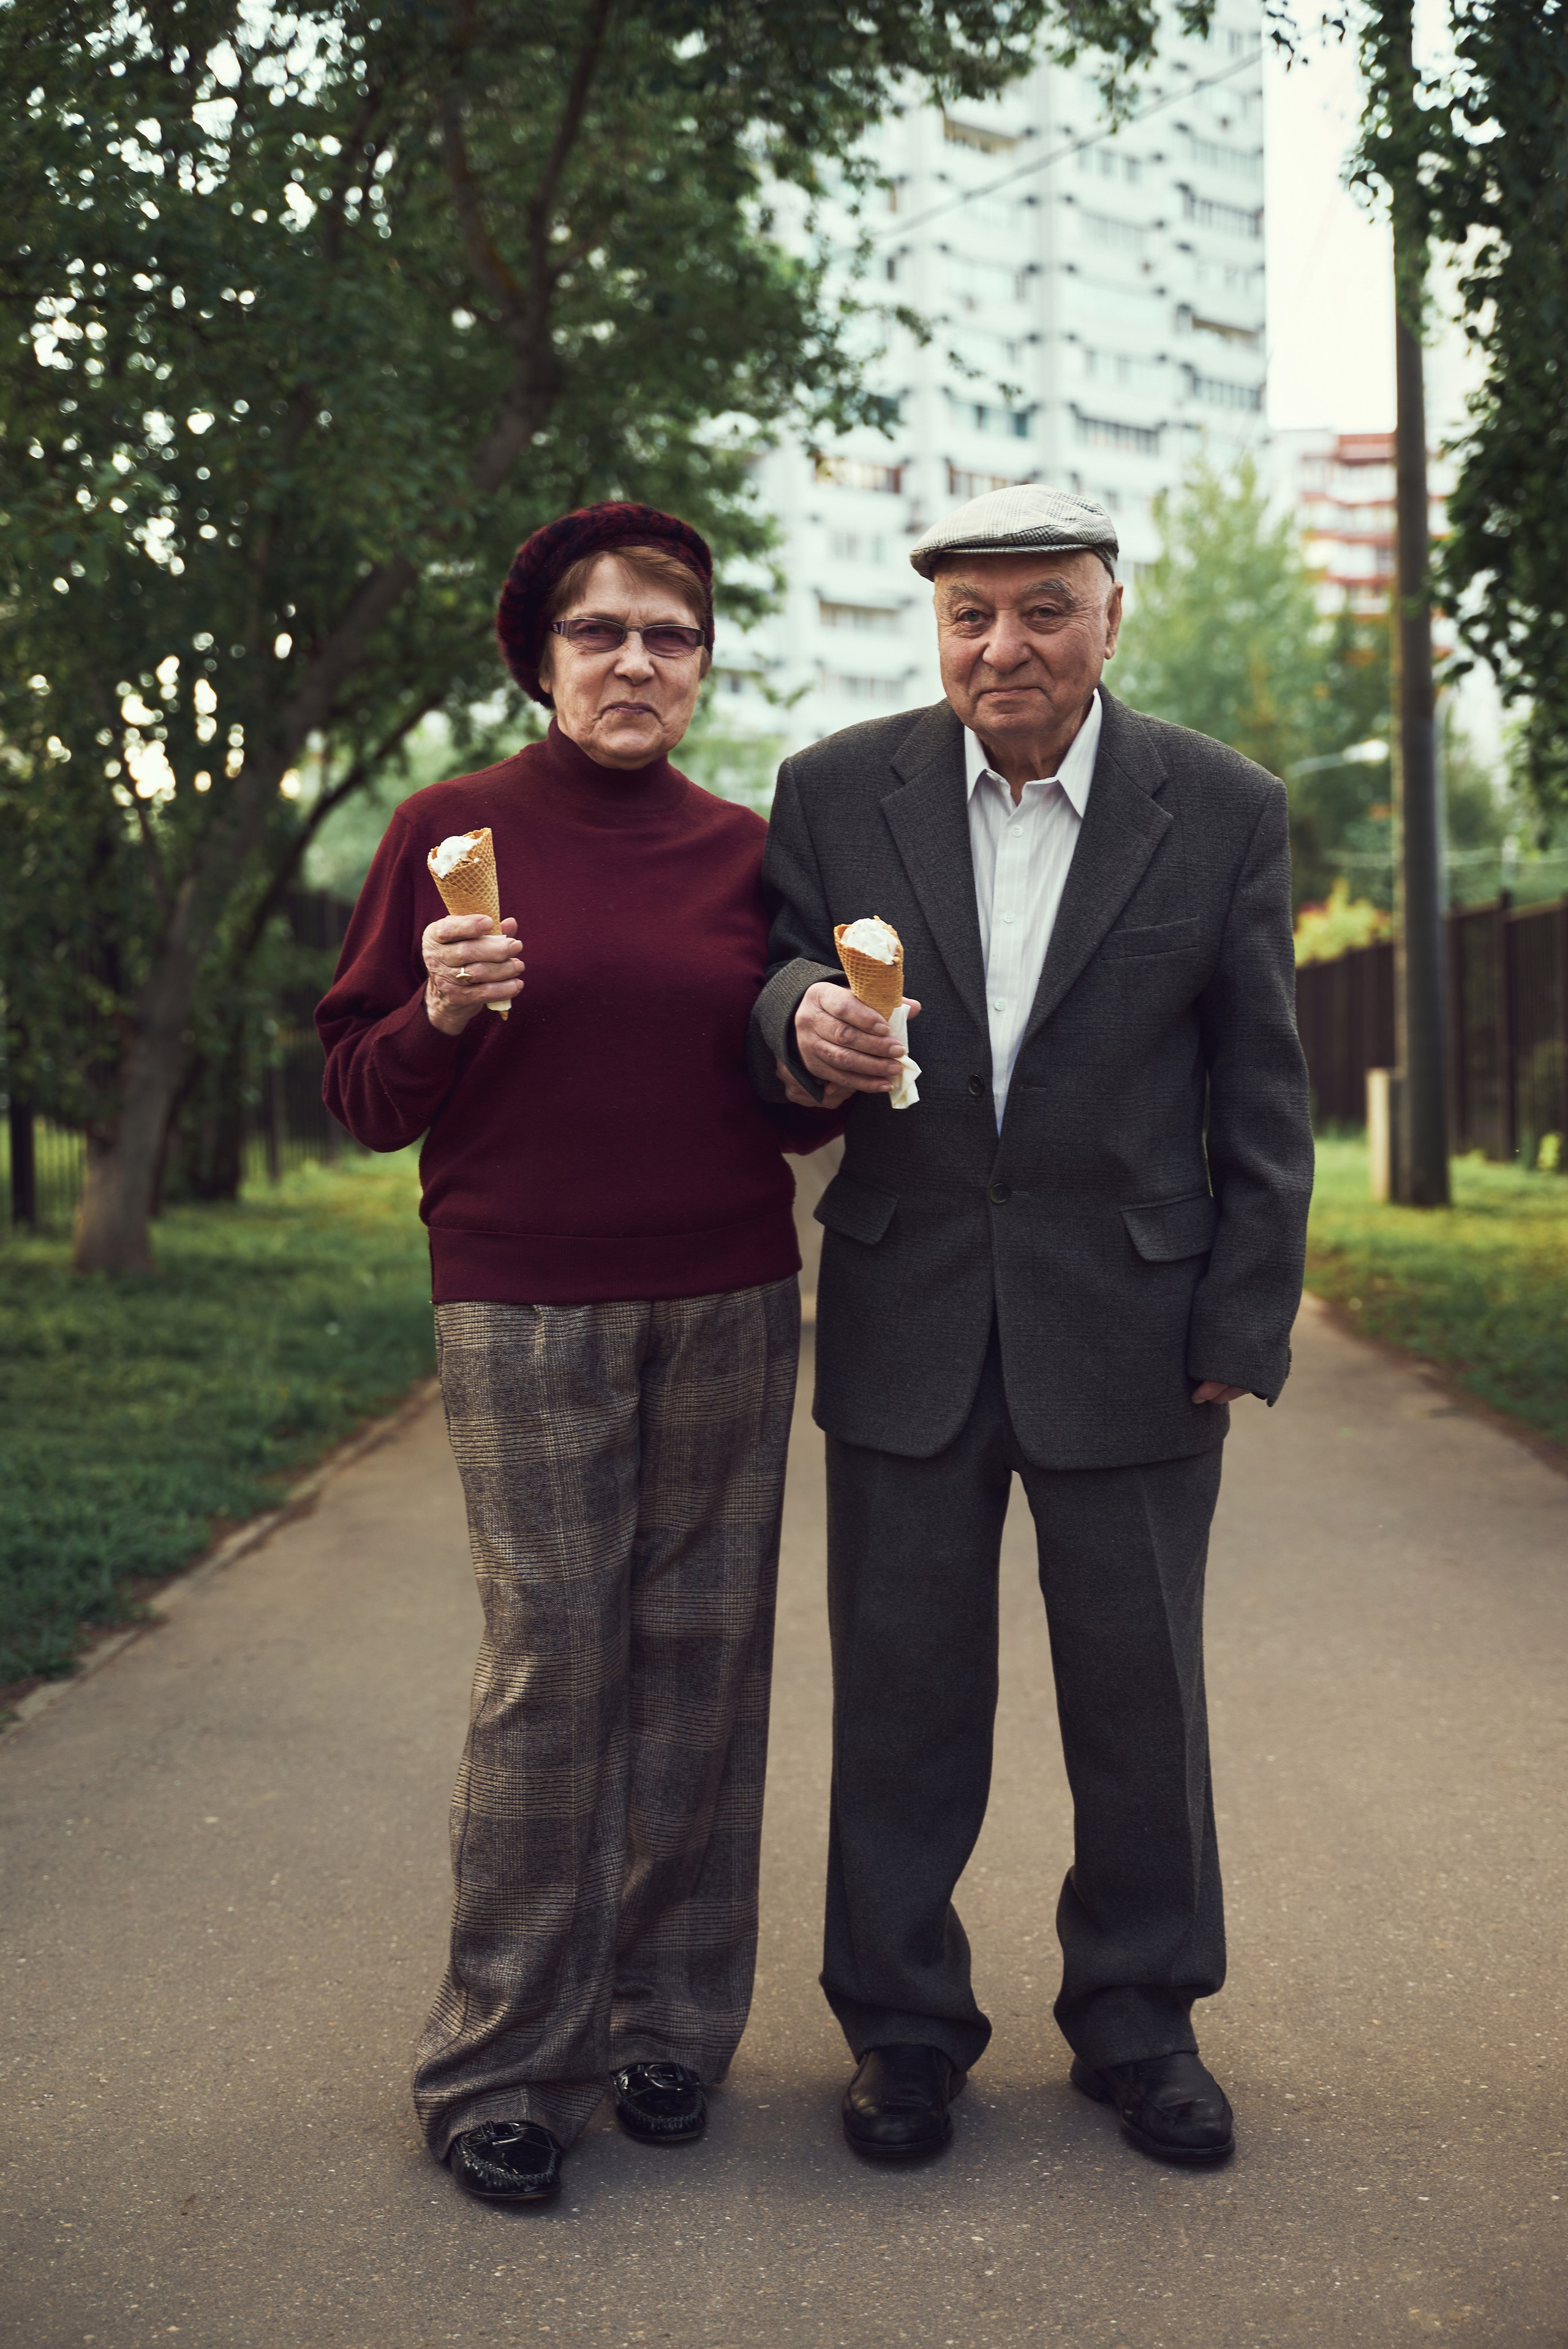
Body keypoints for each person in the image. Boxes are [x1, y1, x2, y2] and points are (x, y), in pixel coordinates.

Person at [750, 482, 1313, 2168]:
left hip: (1137, 1326)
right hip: (905, 1312)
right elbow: (769, 977)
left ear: (1110, 617)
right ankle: (902, 2028)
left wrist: (1243, 1321)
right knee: (900, 1698)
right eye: (971, 613)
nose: (1004, 644)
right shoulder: (835, 787)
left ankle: (1141, 2022)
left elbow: (1263, 1088)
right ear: (939, 629)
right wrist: (799, 1022)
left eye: (1044, 608)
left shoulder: (1221, 806)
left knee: (1140, 1702)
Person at [318, 502, 840, 2205]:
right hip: (522, 1301)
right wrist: (441, 1007)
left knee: (704, 1660)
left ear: (702, 666)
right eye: (599, 632)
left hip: (730, 1295)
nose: (635, 662)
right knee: (554, 1665)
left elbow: (781, 1094)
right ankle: (504, 2065)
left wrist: (829, 1060)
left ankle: (666, 2024)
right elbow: (361, 1094)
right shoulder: (449, 831)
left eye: (669, 635)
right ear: (542, 661)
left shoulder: (746, 851)